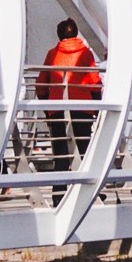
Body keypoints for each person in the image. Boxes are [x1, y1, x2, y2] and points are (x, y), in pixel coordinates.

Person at [41, 18, 96, 168]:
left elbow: (41, 84)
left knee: (61, 152)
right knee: (85, 150)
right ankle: (88, 180)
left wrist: (47, 109)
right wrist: (97, 107)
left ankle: (60, 181)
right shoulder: (86, 53)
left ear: (59, 35)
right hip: (83, 108)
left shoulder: (52, 54)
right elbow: (95, 83)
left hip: (58, 109)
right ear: (76, 33)